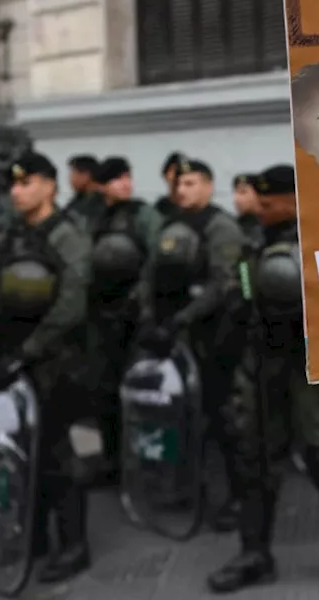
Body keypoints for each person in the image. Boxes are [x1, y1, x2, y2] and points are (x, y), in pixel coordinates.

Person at [209, 164, 319, 594]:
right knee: (256, 463)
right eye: (256, 199)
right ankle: (254, 552)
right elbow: (241, 290)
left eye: (268, 200)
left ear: (291, 200)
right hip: (264, 367)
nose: (259, 207)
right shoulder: (256, 240)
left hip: (311, 370)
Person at [0, 151, 93, 583]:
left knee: (59, 458)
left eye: (27, 183)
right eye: (14, 184)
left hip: (55, 362)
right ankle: (36, 538)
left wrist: (28, 350)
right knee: (23, 453)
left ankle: (74, 545)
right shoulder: (8, 235)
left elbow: (71, 304)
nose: (18, 191)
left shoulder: (67, 235)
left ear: (49, 185)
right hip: (14, 359)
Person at [135, 156, 248, 532]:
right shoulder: (170, 224)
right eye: (178, 184)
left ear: (208, 186)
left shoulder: (220, 226)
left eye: (191, 184)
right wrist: (150, 319)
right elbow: (150, 275)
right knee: (176, 416)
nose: (182, 191)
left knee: (222, 421)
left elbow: (223, 283)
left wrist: (180, 320)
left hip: (211, 338)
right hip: (170, 339)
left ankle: (237, 498)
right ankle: (185, 488)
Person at [86, 156, 162, 486]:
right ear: (102, 185)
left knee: (144, 394)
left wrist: (141, 300)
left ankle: (149, 464)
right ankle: (113, 462)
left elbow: (156, 259)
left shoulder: (143, 215)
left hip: (135, 317)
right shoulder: (93, 218)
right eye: (117, 180)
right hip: (102, 317)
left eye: (128, 178)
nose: (125, 185)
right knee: (105, 393)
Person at [64, 155, 106, 231]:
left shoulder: (102, 202)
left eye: (73, 173)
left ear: (86, 175)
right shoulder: (79, 198)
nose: (70, 178)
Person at [233, 173, 263, 249]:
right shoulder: (232, 224)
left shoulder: (268, 226)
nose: (237, 198)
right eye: (235, 192)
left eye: (243, 192)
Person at [154, 151, 185, 219]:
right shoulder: (160, 206)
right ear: (166, 175)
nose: (176, 175)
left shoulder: (193, 206)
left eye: (180, 170)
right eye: (173, 170)